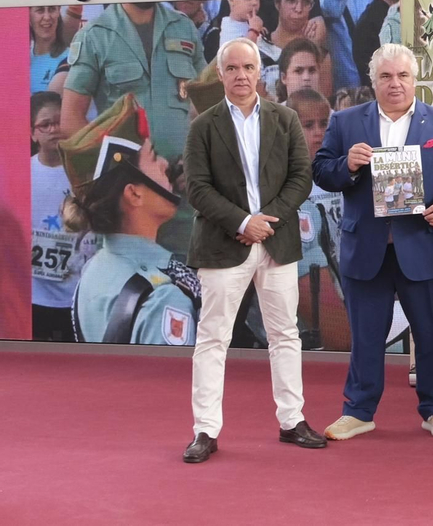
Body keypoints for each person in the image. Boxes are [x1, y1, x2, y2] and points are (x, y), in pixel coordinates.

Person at [312, 44, 433, 441]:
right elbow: (321, 171)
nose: (394, 84)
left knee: (431, 333)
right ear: (373, 81)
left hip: (421, 244)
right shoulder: (346, 122)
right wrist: (346, 164)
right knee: (365, 335)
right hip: (367, 248)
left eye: (402, 76)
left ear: (415, 80)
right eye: (386, 76)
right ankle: (358, 411)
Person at [181, 38, 321, 464]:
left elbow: (301, 177)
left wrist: (265, 222)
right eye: (233, 68)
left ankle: (292, 421)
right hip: (224, 245)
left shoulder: (286, 119)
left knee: (285, 335)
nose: (241, 75)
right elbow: (197, 188)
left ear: (262, 73)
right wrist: (243, 223)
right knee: (212, 339)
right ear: (221, 75)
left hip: (276, 243)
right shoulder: (203, 126)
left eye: (249, 67)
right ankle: (205, 430)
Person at [61, 95, 199, 346]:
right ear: (134, 194)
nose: (165, 164)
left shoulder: (96, 267)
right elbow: (171, 386)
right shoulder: (163, 299)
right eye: (154, 157)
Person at [60, 0, 205, 175]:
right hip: (128, 185)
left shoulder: (183, 28)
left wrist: (197, 158)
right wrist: (117, 167)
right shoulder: (95, 34)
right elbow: (70, 118)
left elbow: (207, 103)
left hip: (185, 180)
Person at [286, 88, 343, 348]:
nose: (318, 132)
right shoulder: (287, 187)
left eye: (324, 124)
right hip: (314, 319)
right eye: (308, 126)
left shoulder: (340, 175)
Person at [30, 91, 85, 341]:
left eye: (59, 121)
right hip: (34, 294)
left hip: (76, 293)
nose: (53, 129)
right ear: (33, 133)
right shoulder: (20, 172)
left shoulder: (84, 172)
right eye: (45, 124)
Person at [29, 5, 70, 94]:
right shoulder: (19, 59)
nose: (47, 17)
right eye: (40, 10)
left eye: (52, 9)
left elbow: (51, 106)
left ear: (59, 12)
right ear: (28, 16)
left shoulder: (71, 58)